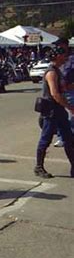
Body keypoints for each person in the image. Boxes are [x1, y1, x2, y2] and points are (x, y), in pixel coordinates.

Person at [34, 46, 74, 178]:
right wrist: (70, 107)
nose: (66, 57)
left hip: (59, 110)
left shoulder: (58, 71)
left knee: (69, 139)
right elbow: (55, 94)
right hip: (51, 110)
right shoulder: (51, 72)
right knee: (46, 139)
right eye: (64, 55)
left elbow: (63, 87)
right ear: (57, 57)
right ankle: (39, 167)